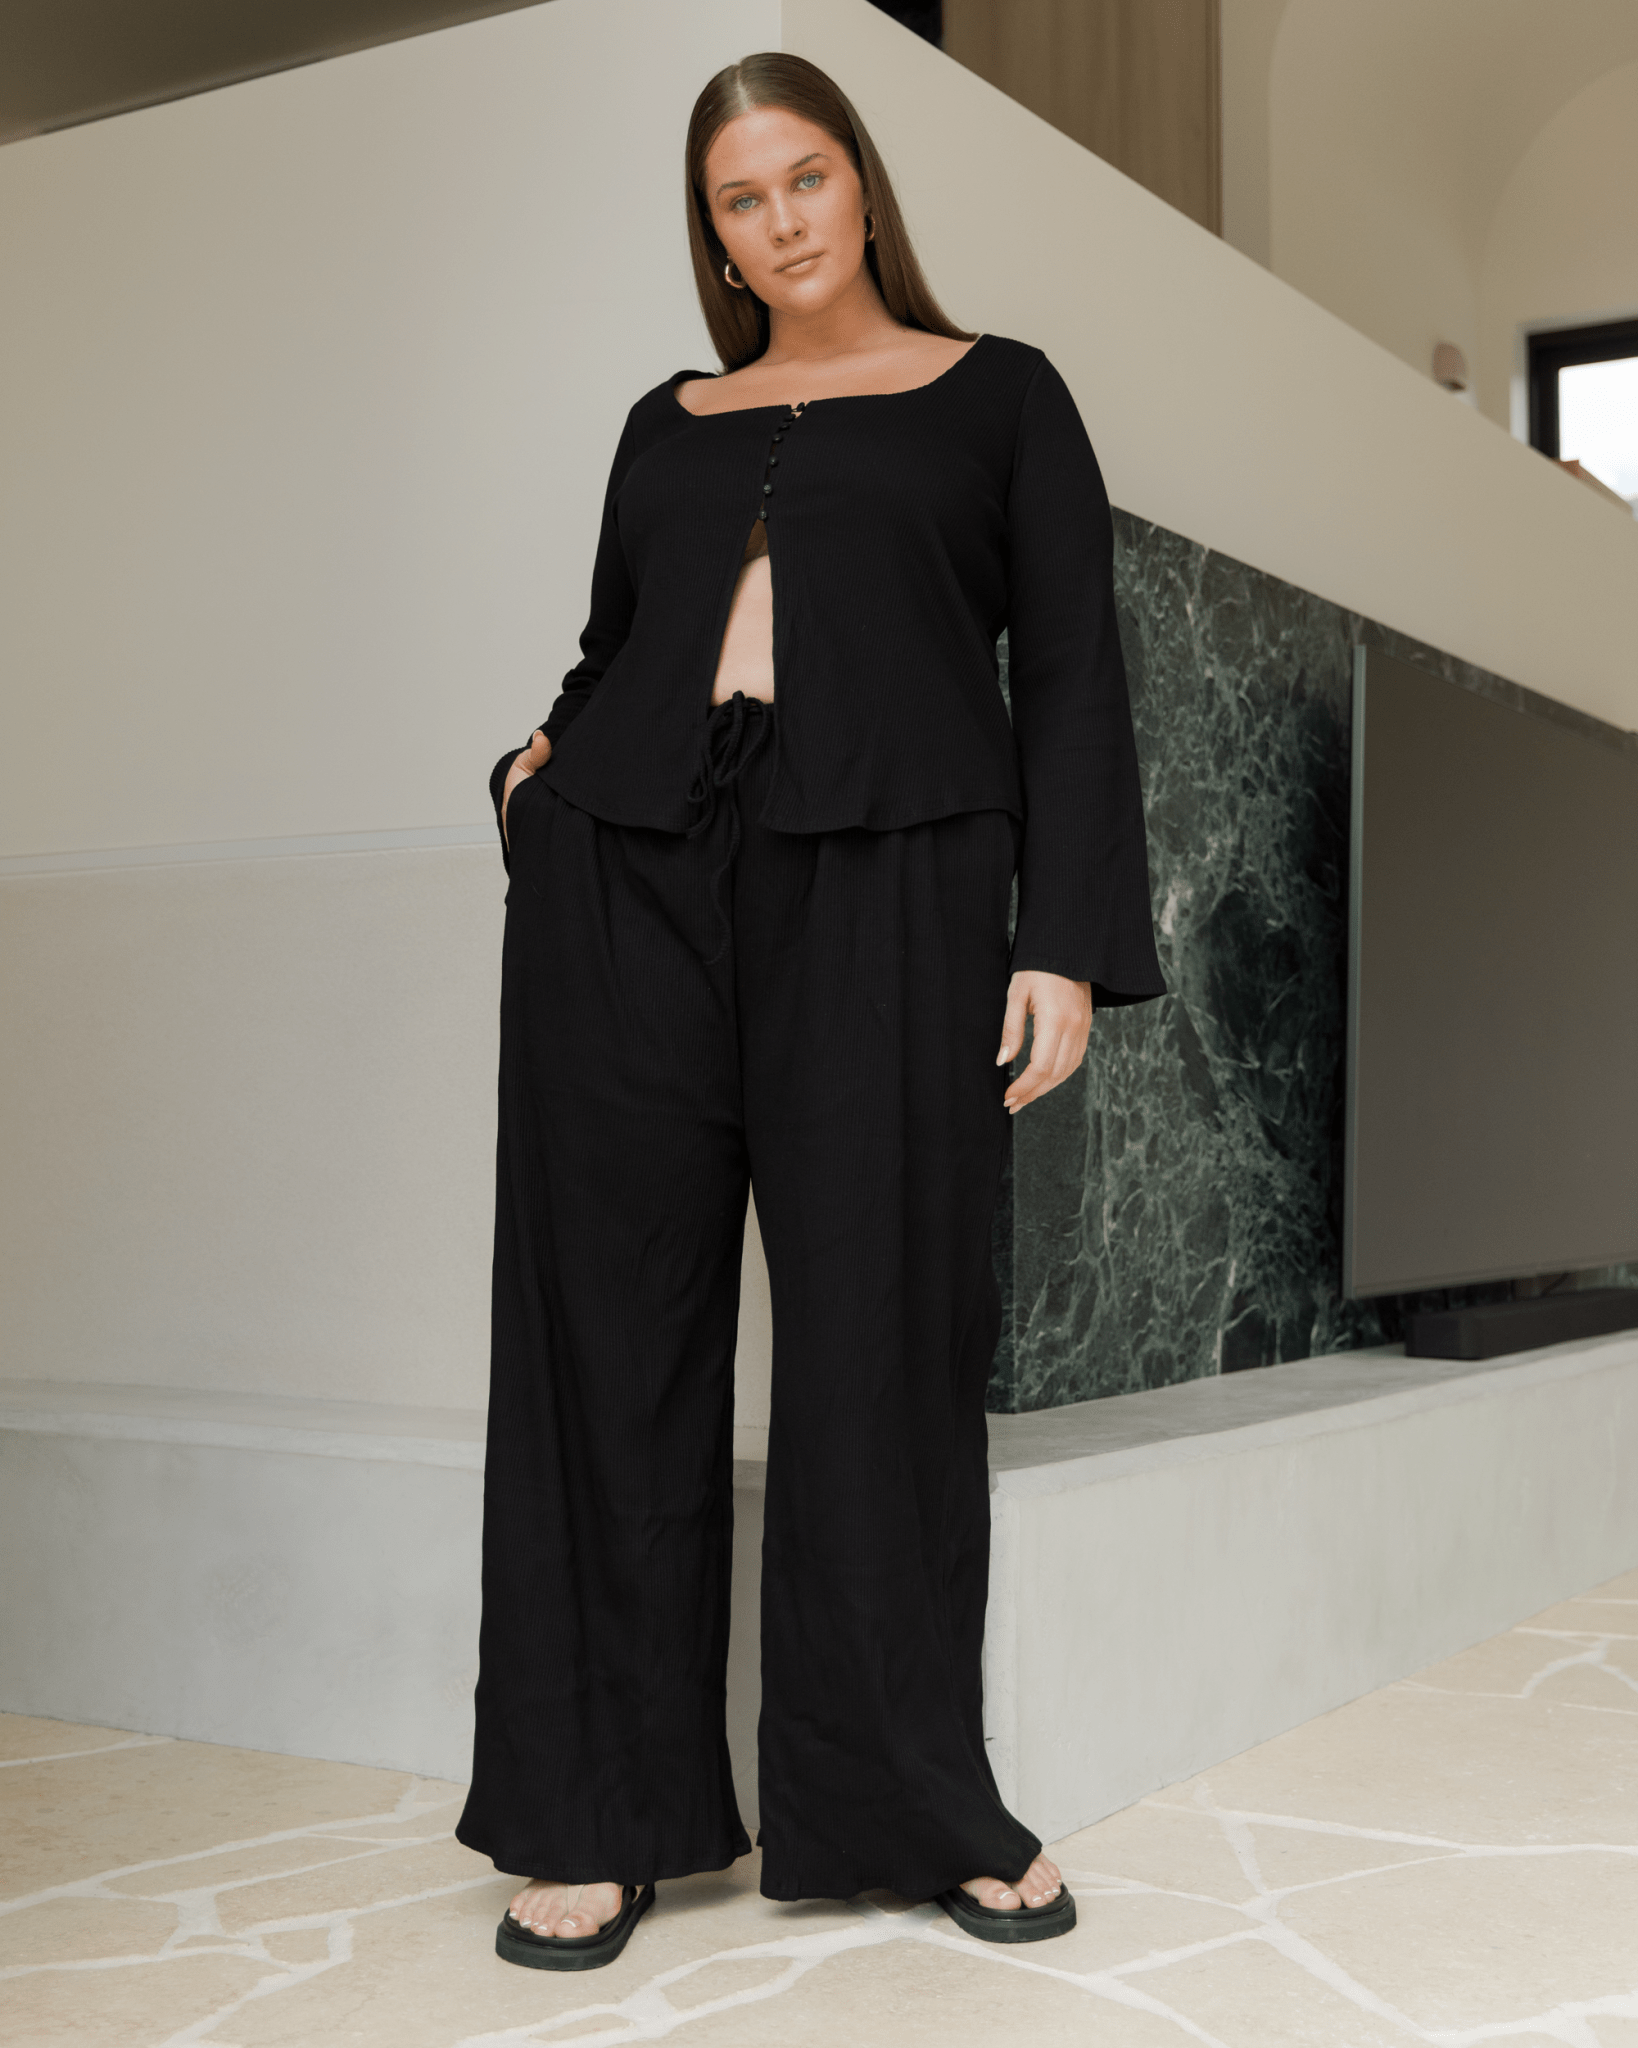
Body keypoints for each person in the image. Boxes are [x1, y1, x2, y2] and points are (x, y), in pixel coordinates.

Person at [453, 51, 1167, 1971]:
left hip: (897, 884)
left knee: (880, 1341)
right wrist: (535, 773)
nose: (778, 222)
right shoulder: (664, 420)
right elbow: (616, 646)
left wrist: (1060, 940)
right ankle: (595, 1811)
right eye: (738, 198)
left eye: (805, 178)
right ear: (712, 233)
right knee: (606, 1341)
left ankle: (909, 1802)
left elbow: (1072, 673)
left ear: (861, 185)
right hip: (628, 882)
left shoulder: (999, 394)